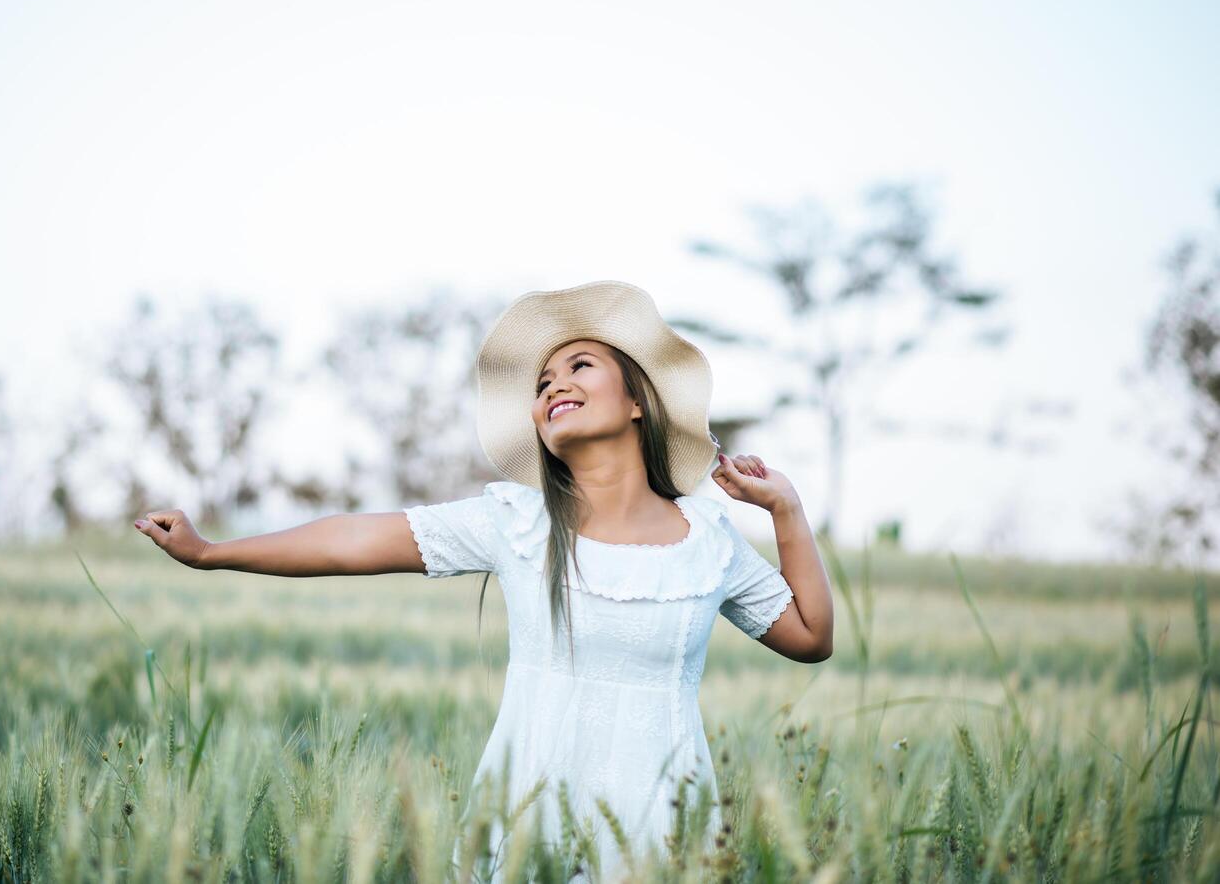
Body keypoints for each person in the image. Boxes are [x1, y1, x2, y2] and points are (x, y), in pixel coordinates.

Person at [134, 280, 835, 883]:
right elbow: (352, 539)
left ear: (636, 404)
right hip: (530, 822)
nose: (553, 384)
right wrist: (212, 551)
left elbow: (809, 637)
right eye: (539, 384)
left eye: (579, 366)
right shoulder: (518, 523)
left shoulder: (705, 541)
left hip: (662, 827)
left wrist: (786, 510)